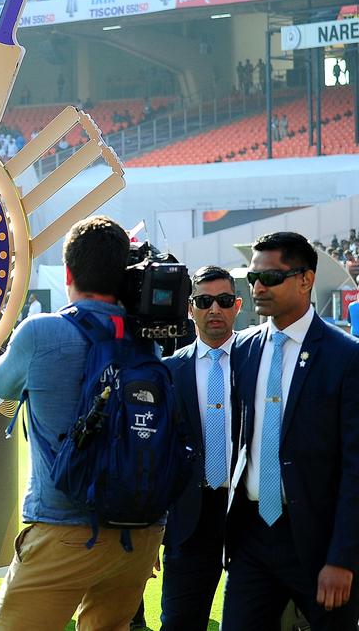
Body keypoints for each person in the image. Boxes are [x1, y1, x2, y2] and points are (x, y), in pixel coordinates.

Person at [0, 216, 164, 630]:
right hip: (138, 531)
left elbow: (0, 382)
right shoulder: (146, 340)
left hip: (63, 524)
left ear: (68, 272)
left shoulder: (41, 332)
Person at [222, 232, 359, 630]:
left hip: (319, 543)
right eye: (252, 279)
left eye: (271, 278)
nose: (259, 288)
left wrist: (343, 558)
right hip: (253, 537)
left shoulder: (345, 357)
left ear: (306, 279)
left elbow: (356, 467)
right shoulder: (244, 349)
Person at [160, 265, 243, 630]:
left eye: (224, 301)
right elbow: (157, 455)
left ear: (237, 306)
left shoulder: (260, 361)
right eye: (204, 301)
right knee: (179, 622)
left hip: (251, 513)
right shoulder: (168, 371)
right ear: (190, 307)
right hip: (188, 519)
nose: (215, 310)